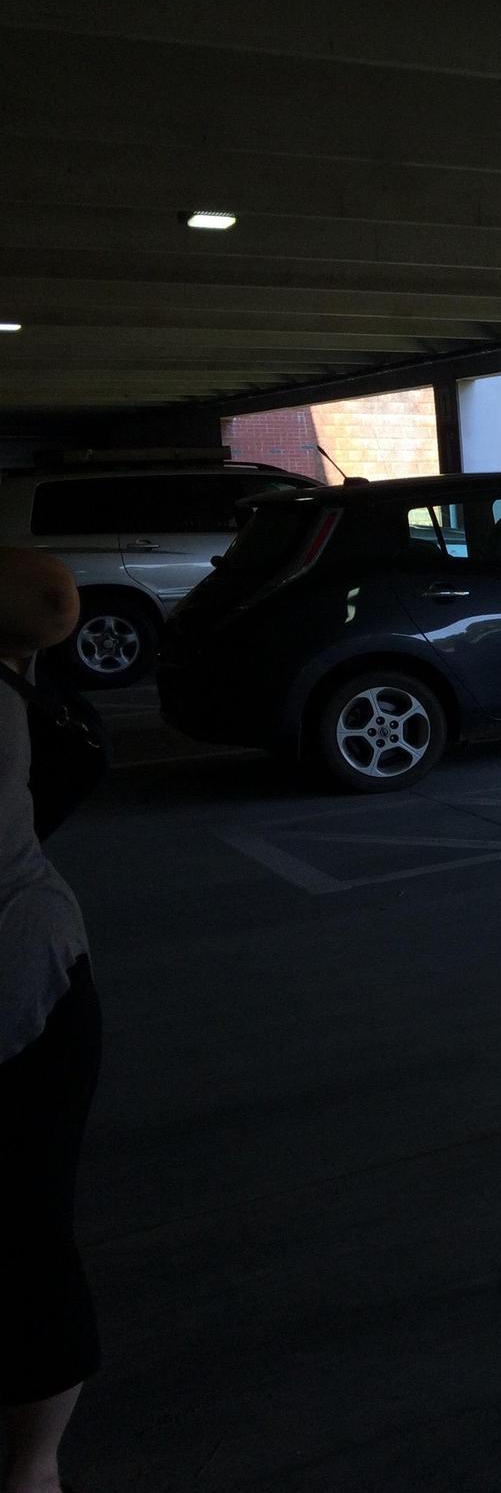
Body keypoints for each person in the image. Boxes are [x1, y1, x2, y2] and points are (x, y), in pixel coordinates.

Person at [0, 548, 97, 1493]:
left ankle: (30, 1468)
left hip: (27, 991)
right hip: (36, 979)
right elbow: (46, 600)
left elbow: (46, 599)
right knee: (28, 1233)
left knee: (27, 1235)